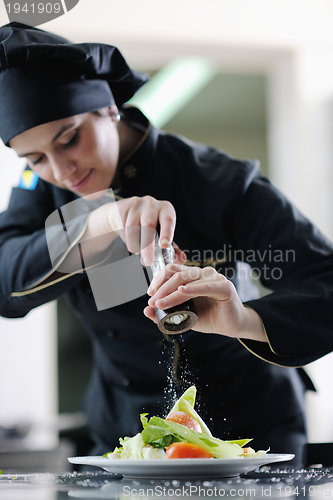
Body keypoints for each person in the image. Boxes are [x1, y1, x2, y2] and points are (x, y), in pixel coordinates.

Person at [1, 22, 333, 468]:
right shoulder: (43, 194)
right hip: (126, 436)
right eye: (36, 158)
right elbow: (5, 280)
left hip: (253, 427)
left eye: (69, 138)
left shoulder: (219, 181)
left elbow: (325, 284)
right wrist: (94, 222)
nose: (62, 171)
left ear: (109, 109)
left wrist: (245, 319)